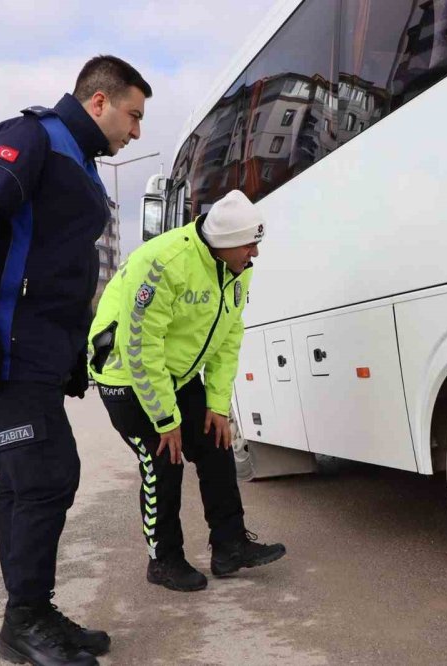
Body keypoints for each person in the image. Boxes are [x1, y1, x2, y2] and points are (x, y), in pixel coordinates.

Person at [0, 55, 151, 666]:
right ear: (99, 102)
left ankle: (30, 608)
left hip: (34, 351)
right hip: (1, 347)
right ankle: (24, 620)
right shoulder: (31, 138)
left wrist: (71, 352)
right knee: (44, 475)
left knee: (30, 477)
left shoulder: (78, 162)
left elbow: (57, 268)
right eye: (133, 117)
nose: (136, 132)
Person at [89, 189, 285, 592]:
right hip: (127, 376)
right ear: (226, 243)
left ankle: (230, 545)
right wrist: (165, 419)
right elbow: (141, 348)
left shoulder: (236, 267)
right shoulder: (162, 263)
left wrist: (216, 405)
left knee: (216, 444)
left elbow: (229, 336)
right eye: (250, 245)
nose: (255, 255)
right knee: (165, 460)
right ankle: (164, 560)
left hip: (176, 376)